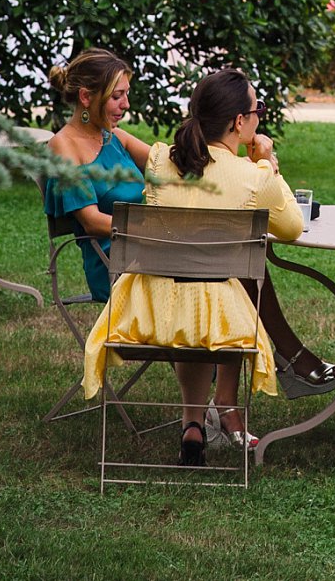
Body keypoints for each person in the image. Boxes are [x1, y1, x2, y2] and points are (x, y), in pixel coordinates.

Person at [82, 69, 303, 467]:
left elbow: (117, 134)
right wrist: (268, 162)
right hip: (220, 323)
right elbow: (291, 228)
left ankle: (193, 425)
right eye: (258, 110)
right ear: (240, 121)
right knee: (213, 299)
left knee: (189, 297)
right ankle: (205, 418)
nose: (259, 117)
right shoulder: (253, 178)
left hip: (140, 316)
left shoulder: (160, 162)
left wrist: (88, 110)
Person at [43, 49, 149, 305]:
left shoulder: (116, 137)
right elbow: (91, 221)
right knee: (199, 269)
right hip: (111, 262)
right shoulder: (63, 147)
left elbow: (171, 164)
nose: (126, 104)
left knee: (215, 262)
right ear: (86, 97)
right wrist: (154, 232)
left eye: (126, 94)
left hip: (147, 249)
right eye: (117, 96)